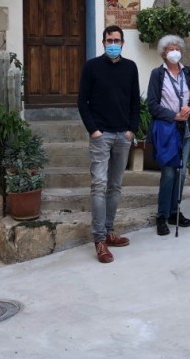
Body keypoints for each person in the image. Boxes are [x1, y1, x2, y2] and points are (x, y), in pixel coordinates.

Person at [77, 26, 140, 263]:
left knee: (115, 186)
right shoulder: (91, 67)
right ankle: (99, 239)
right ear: (103, 42)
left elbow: (135, 101)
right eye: (109, 40)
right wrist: (94, 130)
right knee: (99, 185)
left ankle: (110, 230)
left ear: (123, 42)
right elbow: (83, 102)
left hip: (123, 136)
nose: (113, 43)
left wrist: (131, 130)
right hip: (101, 136)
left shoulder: (130, 67)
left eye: (117, 40)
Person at [146, 35, 190, 236]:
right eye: (169, 48)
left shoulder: (188, 73)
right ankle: (162, 215)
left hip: (186, 131)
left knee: (182, 173)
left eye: (177, 48)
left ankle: (175, 211)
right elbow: (152, 105)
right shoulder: (157, 74)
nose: (174, 51)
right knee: (168, 173)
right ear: (163, 53)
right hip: (168, 130)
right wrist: (173, 115)